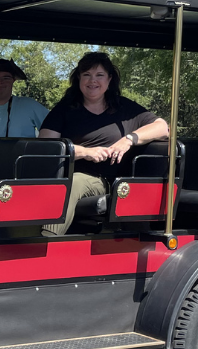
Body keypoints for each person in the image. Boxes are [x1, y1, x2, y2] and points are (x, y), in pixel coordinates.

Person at [38, 51, 169, 236]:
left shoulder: (125, 108)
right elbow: (46, 144)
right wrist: (84, 152)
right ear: (79, 79)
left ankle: (45, 242)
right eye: (87, 75)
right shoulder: (65, 108)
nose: (93, 81)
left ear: (109, 80)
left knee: (73, 182)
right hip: (65, 173)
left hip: (106, 180)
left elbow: (162, 127)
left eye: (99, 75)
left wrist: (128, 140)